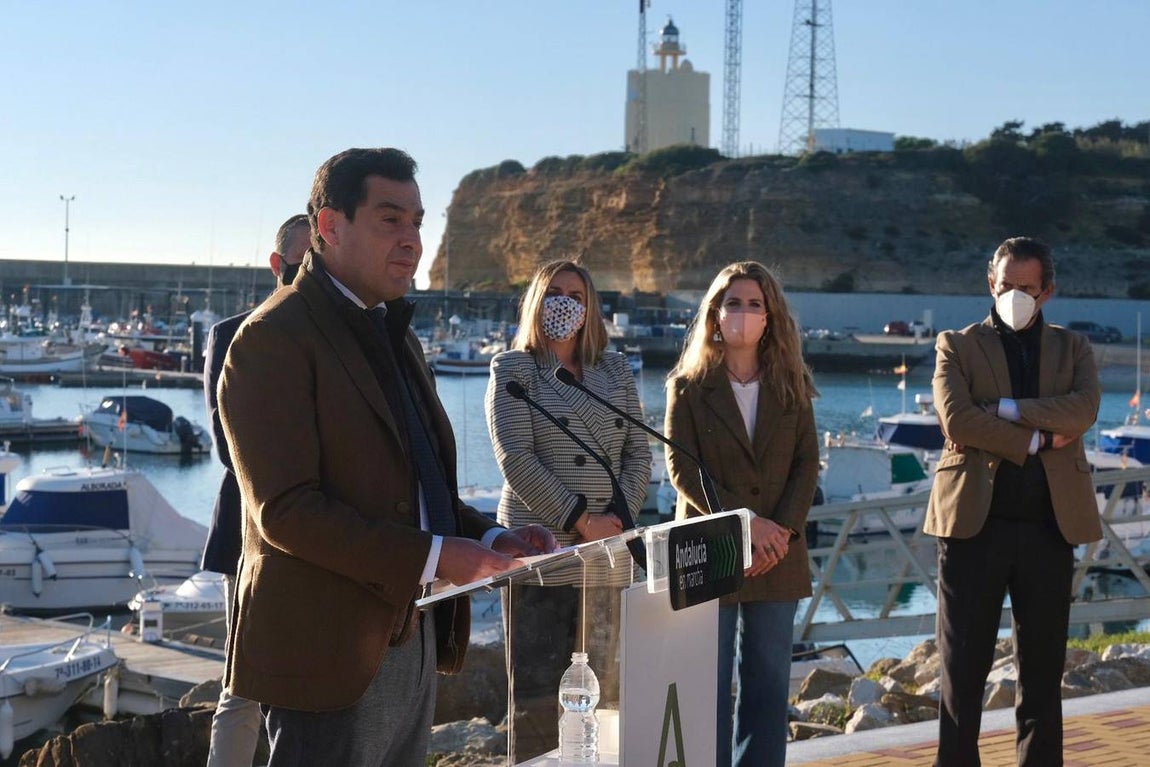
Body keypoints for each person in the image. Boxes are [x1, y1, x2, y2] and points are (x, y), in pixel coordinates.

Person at [217, 147, 555, 767]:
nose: (412, 242)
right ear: (329, 226)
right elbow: (285, 511)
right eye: (390, 220)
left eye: (418, 222)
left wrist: (492, 535)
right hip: (328, 657)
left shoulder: (395, 335)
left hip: (415, 638)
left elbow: (417, 490)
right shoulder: (271, 340)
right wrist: (436, 556)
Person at [926, 236, 1102, 767]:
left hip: (1052, 524)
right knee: (961, 673)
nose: (1014, 297)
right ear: (990, 283)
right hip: (972, 525)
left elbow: (1083, 410)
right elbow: (956, 418)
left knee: (1044, 675)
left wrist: (999, 409)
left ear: (1047, 291)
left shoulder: (1074, 349)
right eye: (1006, 286)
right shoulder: (955, 344)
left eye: (1026, 288)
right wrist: (1036, 437)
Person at [484, 259, 651, 762]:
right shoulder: (513, 369)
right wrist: (581, 520)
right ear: (536, 301)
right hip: (541, 553)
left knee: (602, 693)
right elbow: (515, 456)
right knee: (535, 696)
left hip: (607, 553)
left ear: (591, 306)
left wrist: (615, 520)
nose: (565, 303)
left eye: (576, 295)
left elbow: (638, 453)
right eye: (554, 292)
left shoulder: (616, 369)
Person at [664, 261, 820, 767]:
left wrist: (781, 532)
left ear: (770, 317)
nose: (744, 313)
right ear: (714, 314)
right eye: (734, 303)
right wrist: (744, 524)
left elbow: (806, 463)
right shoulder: (688, 386)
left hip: (779, 555)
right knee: (707, 687)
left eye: (755, 304)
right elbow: (681, 469)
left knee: (768, 686)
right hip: (711, 550)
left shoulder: (793, 383)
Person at [201, 213, 309, 767]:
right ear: (278, 264)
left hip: (322, 537)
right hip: (250, 534)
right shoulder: (231, 335)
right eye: (302, 259)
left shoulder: (345, 340)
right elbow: (228, 447)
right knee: (243, 682)